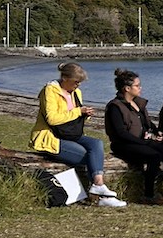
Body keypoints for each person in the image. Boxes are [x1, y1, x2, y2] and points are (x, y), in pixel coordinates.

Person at [29, 62, 127, 207]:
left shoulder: (76, 93)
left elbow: (72, 117)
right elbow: (52, 118)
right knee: (88, 156)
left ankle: (98, 187)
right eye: (75, 82)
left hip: (71, 134)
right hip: (51, 138)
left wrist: (85, 114)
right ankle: (100, 195)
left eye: (80, 83)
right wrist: (78, 112)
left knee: (97, 144)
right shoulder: (49, 91)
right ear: (64, 78)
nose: (78, 85)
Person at [104, 68, 163, 205]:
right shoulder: (115, 106)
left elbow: (146, 122)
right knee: (154, 156)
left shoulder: (138, 103)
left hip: (140, 141)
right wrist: (143, 143)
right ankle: (149, 195)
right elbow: (120, 133)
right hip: (123, 144)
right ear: (127, 88)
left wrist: (156, 131)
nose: (140, 88)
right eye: (137, 85)